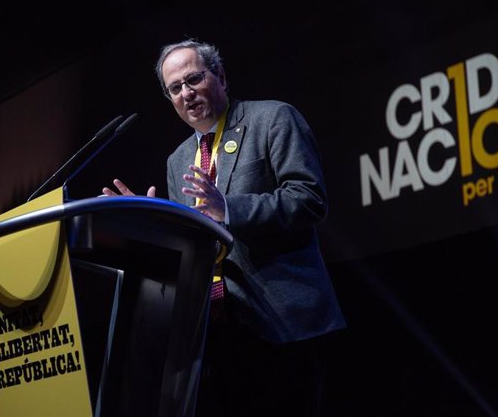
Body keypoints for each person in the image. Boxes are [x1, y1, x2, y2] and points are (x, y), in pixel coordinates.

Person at [102, 39, 346, 417]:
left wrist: (228, 208)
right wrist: (151, 223)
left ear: (220, 76)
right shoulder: (178, 159)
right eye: (175, 88)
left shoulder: (273, 119)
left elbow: (309, 198)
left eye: (194, 78)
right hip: (217, 333)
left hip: (284, 325)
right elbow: (194, 243)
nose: (186, 93)